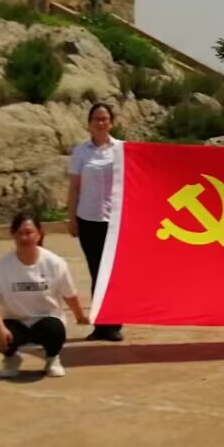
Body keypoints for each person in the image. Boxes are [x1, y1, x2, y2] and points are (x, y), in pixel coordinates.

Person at [0, 212, 89, 379]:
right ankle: (11, 358)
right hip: (16, 321)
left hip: (46, 320)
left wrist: (80, 316)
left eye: (29, 232)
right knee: (1, 338)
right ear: (13, 235)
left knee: (55, 330)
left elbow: (69, 294)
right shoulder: (1, 267)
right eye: (20, 233)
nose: (25, 237)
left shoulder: (55, 263)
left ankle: (52, 358)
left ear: (38, 234)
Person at [66, 101, 126, 342]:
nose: (100, 123)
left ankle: (115, 325)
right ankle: (101, 325)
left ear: (111, 123)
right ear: (89, 124)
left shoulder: (122, 149)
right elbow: (74, 188)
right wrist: (71, 218)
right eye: (96, 119)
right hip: (88, 219)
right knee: (97, 272)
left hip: (115, 221)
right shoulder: (80, 152)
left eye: (104, 119)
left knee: (114, 274)